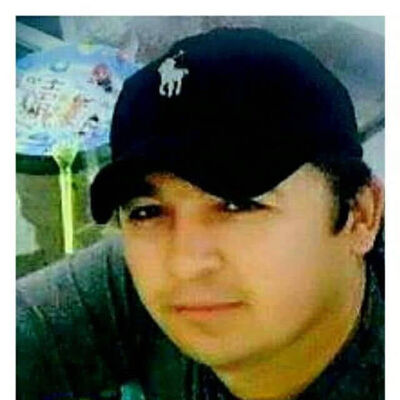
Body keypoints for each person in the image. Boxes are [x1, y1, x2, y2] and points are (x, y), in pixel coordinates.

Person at [17, 28, 384, 400]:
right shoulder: (139, 278)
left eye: (239, 203)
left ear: (360, 215)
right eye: (147, 212)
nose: (185, 264)